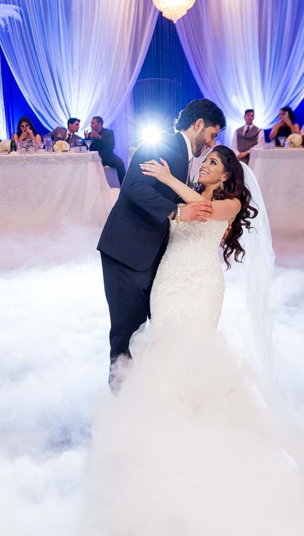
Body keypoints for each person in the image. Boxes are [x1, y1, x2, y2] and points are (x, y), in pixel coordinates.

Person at [97, 98, 225, 389]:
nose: (210, 143)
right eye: (212, 135)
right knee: (125, 332)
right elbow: (133, 187)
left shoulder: (185, 156)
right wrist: (178, 211)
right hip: (126, 253)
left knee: (144, 332)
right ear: (199, 125)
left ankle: (144, 393)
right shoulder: (164, 145)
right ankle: (119, 399)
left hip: (152, 257)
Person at [87, 116, 126, 185]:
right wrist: (86, 139)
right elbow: (89, 148)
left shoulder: (109, 132)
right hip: (95, 157)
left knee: (120, 164)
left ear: (99, 124)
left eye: (93, 123)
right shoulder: (90, 134)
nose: (91, 125)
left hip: (108, 156)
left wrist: (99, 137)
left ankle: (123, 186)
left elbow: (111, 146)